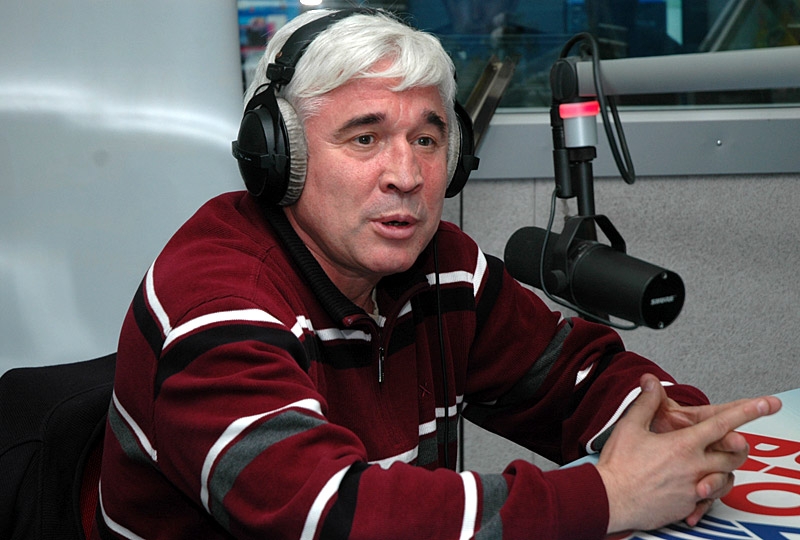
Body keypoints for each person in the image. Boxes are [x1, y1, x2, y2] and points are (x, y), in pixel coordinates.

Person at [93, 8, 781, 540]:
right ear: (280, 156)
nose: (406, 174)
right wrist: (610, 497)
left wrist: (667, 433)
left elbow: (570, 375)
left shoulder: (441, 266)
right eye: (364, 138)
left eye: (426, 140)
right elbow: (330, 517)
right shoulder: (215, 301)